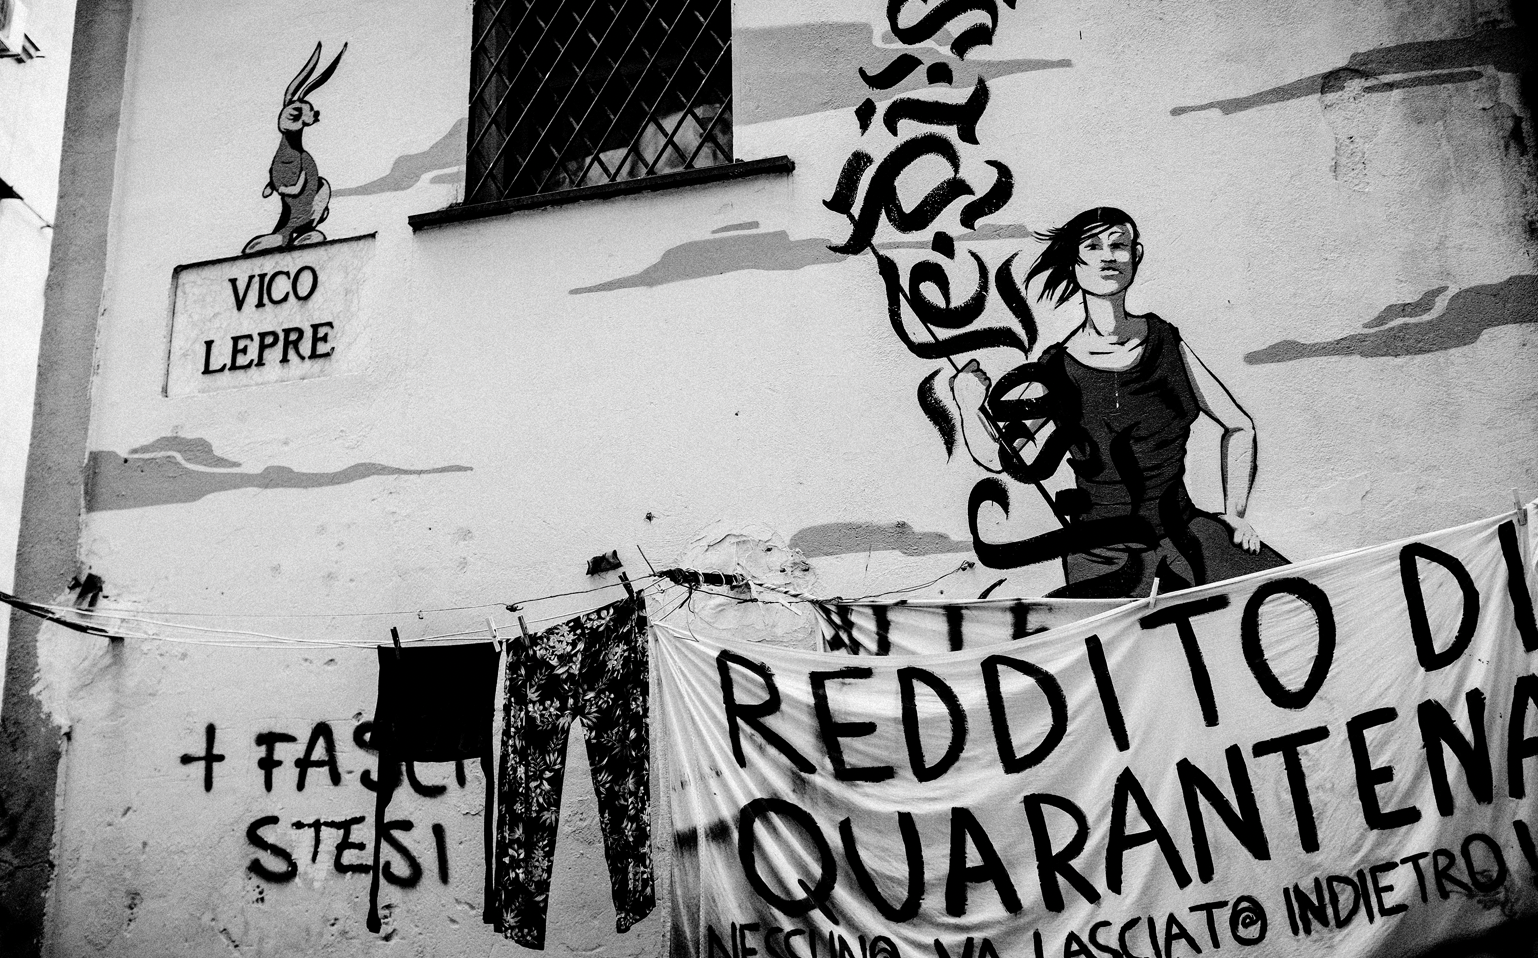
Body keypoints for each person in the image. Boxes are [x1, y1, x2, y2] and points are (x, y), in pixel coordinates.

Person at [951, 207, 1288, 597]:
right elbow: (1000, 456)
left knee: (1292, 599)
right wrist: (968, 404)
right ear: (1074, 264)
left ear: (1136, 255)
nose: (1108, 256)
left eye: (1119, 245)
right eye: (1092, 246)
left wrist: (1235, 515)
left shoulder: (1166, 342)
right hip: (1101, 557)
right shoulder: (1057, 368)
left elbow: (1239, 426)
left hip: (1184, 536)